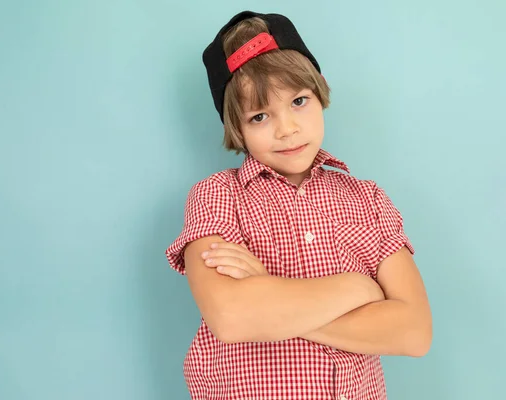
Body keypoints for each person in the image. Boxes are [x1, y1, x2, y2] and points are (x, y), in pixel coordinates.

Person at [165, 10, 432, 400]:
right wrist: (358, 288)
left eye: (299, 101)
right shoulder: (217, 196)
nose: (286, 128)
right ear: (236, 127)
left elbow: (414, 331)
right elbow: (232, 317)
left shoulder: (367, 199)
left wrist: (269, 295)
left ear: (320, 89)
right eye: (259, 116)